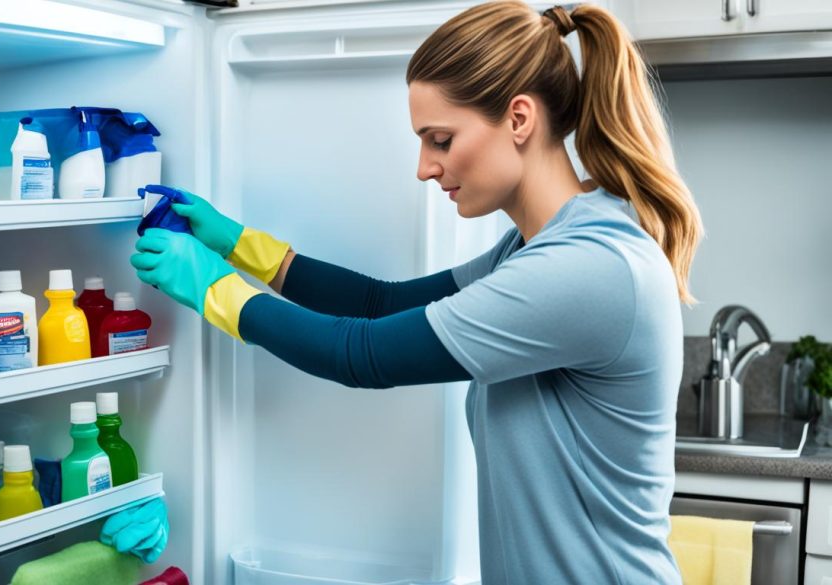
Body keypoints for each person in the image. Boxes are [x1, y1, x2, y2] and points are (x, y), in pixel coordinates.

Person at [130, 1, 703, 582]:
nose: (426, 167)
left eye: (441, 139)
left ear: (520, 119)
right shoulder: (535, 250)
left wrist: (213, 290)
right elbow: (381, 303)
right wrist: (237, 243)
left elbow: (361, 354)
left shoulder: (589, 267)